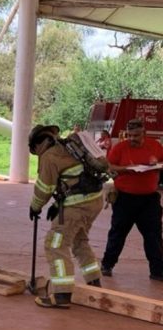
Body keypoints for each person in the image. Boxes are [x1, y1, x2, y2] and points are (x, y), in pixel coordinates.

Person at [28, 124, 104, 308]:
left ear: (38, 145)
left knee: (55, 244)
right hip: (93, 201)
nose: (37, 155)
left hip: (77, 205)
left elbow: (44, 188)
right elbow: (71, 181)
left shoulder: (49, 155)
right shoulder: (68, 148)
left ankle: (61, 294)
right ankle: (94, 283)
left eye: (34, 152)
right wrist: (56, 206)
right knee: (79, 240)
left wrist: (35, 207)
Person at [100, 118, 163, 281]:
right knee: (118, 233)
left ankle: (157, 271)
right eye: (130, 135)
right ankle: (107, 264)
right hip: (125, 199)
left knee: (153, 236)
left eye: (136, 135)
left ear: (144, 133)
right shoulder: (120, 147)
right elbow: (109, 166)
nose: (132, 139)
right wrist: (127, 169)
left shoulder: (155, 145)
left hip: (149, 200)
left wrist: (156, 165)